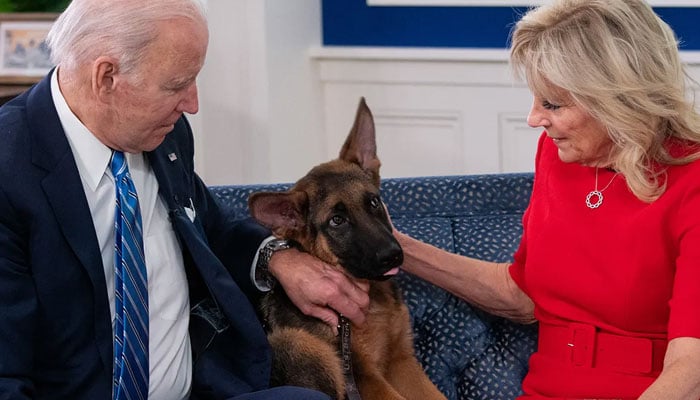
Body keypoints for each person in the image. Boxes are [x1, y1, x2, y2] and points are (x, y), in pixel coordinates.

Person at [0, 0, 369, 399]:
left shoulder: (164, 134)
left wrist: (277, 257)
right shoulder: (10, 171)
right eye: (177, 85)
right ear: (106, 77)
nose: (192, 103)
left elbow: (210, 225)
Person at [392, 0, 700, 399]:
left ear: (617, 99)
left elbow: (689, 368)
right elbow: (523, 295)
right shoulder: (558, 155)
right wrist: (396, 248)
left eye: (552, 104)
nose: (534, 118)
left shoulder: (691, 180)